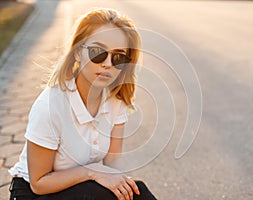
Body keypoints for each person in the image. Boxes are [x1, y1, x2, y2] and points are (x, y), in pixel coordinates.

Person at [8, 8, 157, 200]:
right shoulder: (51, 105)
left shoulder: (115, 100)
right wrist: (92, 171)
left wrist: (115, 185)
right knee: (95, 193)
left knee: (136, 191)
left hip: (82, 189)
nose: (108, 64)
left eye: (119, 57)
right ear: (78, 52)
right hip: (35, 193)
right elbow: (39, 183)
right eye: (98, 53)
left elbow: (112, 165)